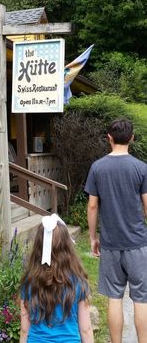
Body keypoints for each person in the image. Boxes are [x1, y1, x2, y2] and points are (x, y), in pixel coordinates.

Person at [85, 118, 147, 343]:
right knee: (141, 299)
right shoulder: (141, 168)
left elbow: (92, 205)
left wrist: (93, 238)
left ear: (109, 138)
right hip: (138, 244)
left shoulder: (97, 167)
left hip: (110, 244)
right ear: (131, 138)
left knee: (114, 298)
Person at [20, 213, 94, 343]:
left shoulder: (29, 282)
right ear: (67, 247)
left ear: (38, 247)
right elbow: (86, 329)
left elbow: (25, 330)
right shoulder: (78, 282)